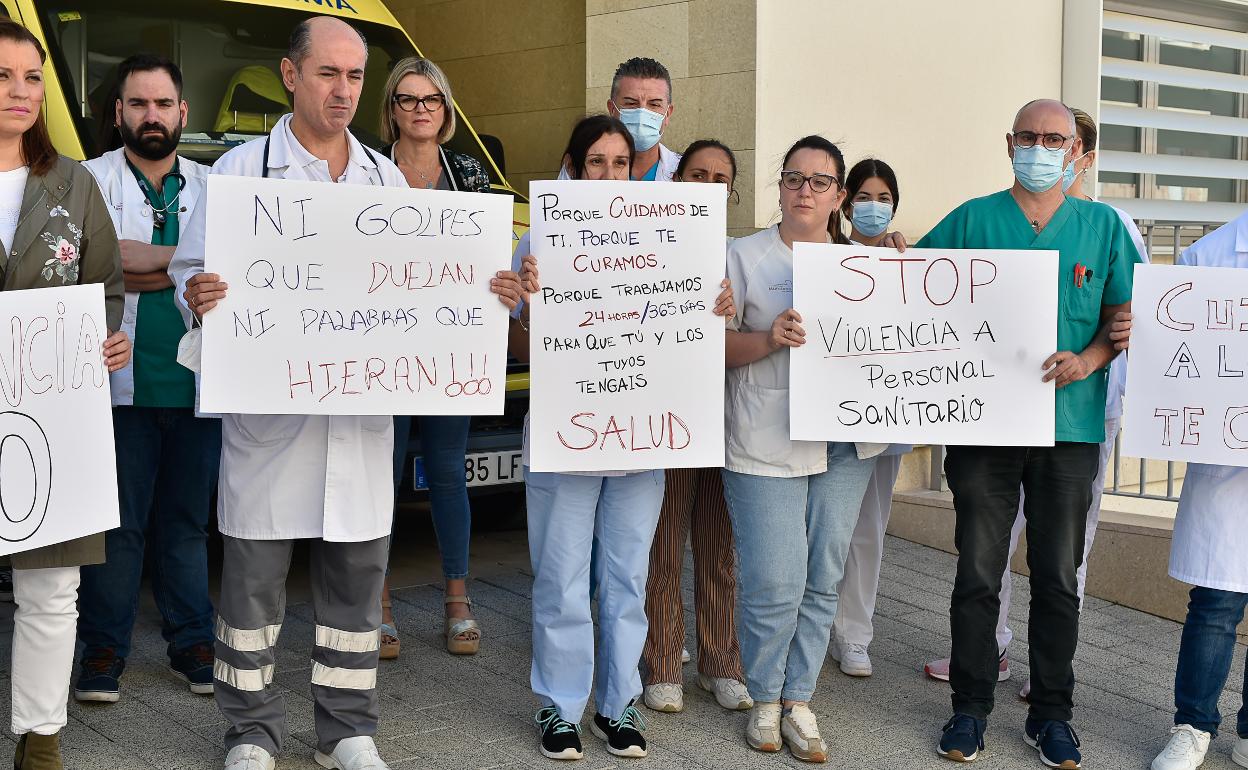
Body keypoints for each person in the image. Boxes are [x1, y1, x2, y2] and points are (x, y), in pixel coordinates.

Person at [170, 18, 520, 770]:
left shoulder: (382, 179)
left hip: (359, 422)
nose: (344, 91)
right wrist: (193, 293)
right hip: (272, 422)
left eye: (356, 77)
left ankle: (346, 730)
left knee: (357, 588)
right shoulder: (238, 175)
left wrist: (487, 291)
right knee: (254, 591)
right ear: (292, 76)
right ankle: (251, 732)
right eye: (329, 74)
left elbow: (421, 289)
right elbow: (187, 274)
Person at [919, 99, 1135, 769]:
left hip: (1069, 430)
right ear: (1008, 141)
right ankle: (969, 709)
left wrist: (1092, 358)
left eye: (1053, 139)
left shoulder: (1101, 226)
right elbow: (905, 292)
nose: (1038, 148)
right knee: (979, 573)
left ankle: (1051, 715)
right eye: (1028, 137)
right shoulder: (973, 219)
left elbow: (1121, 317)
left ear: (1078, 153)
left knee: (1057, 576)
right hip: (984, 430)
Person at [512, 115, 734, 761]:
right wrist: (521, 302)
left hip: (640, 440)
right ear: (573, 165)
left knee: (626, 578)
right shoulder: (536, 242)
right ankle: (559, 706)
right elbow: (514, 343)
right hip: (567, 435)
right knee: (560, 578)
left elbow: (693, 334)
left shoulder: (669, 241)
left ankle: (617, 705)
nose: (606, 174)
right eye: (595, 162)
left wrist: (713, 306)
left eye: (618, 163)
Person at [722, 134, 883, 763]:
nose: (805, 190)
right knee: (774, 577)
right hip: (765, 436)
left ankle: (799, 697)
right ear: (780, 187)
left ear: (840, 193)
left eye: (820, 181)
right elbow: (712, 344)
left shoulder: (867, 266)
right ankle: (763, 695)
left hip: (844, 441)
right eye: (794, 178)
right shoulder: (743, 257)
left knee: (823, 574)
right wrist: (766, 339)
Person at [0, 18, 131, 770]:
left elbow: (104, 287)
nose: (20, 92)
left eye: (31, 77)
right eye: (3, 75)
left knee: (49, 584)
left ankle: (40, 734)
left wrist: (107, 339)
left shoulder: (72, 182)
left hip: (48, 415)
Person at [74, 53, 221, 704]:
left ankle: (192, 642)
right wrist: (183, 263)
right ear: (119, 113)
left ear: (182, 112)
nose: (151, 116)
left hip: (196, 384)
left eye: (163, 104)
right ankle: (103, 652)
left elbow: (226, 273)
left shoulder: (214, 186)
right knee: (119, 525)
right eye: (138, 104)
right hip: (117, 384)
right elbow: (97, 265)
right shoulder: (86, 180)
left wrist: (154, 264)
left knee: (187, 524)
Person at [376, 56, 491, 660]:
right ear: (391, 109)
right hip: (382, 348)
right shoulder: (366, 169)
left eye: (432, 100)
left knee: (449, 474)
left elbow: (491, 253)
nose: (421, 109)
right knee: (383, 475)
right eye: (408, 98)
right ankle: (381, 601)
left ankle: (457, 598)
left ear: (446, 111)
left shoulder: (469, 172)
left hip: (452, 350)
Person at [641, 139, 750, 715]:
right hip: (667, 411)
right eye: (696, 174)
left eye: (719, 178)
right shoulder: (649, 243)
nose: (706, 185)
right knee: (664, 537)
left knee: (719, 539)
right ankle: (661, 659)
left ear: (730, 192)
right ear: (676, 180)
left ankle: (721, 661)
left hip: (726, 414)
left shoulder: (742, 254)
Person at [1149, 217, 1248, 770]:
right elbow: (1174, 358)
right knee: (1216, 604)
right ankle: (1192, 726)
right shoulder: (1211, 257)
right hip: (1227, 467)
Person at [827, 158, 913, 678]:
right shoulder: (825, 254)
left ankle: (854, 634)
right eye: (865, 196)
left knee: (867, 531)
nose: (875, 208)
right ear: (846, 199)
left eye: (885, 199)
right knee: (823, 530)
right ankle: (815, 624)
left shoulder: (909, 262)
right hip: (828, 413)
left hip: (883, 416)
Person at [559, 57, 679, 183]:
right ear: (612, 109)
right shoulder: (574, 171)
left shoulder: (685, 170)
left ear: (668, 114)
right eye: (631, 103)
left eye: (654, 105)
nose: (642, 113)